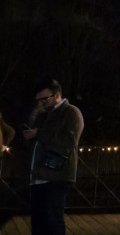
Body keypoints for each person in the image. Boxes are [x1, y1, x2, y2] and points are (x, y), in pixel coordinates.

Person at [22, 79, 84, 235]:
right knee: (38, 221)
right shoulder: (46, 114)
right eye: (38, 100)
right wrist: (35, 118)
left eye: (44, 99)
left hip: (56, 176)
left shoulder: (71, 112)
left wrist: (38, 133)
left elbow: (69, 142)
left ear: (57, 95)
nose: (41, 103)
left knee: (53, 221)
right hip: (38, 175)